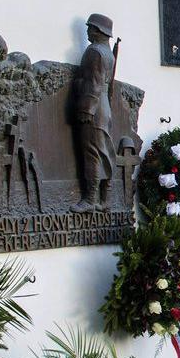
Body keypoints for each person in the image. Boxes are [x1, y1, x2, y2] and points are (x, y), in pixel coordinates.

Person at [69, 13, 116, 212]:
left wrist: (87, 108)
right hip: (103, 106)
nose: (87, 32)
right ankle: (104, 199)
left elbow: (94, 83)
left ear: (98, 31)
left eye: (90, 28)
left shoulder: (95, 52)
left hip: (94, 107)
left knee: (92, 153)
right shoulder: (107, 53)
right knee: (103, 152)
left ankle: (90, 199)